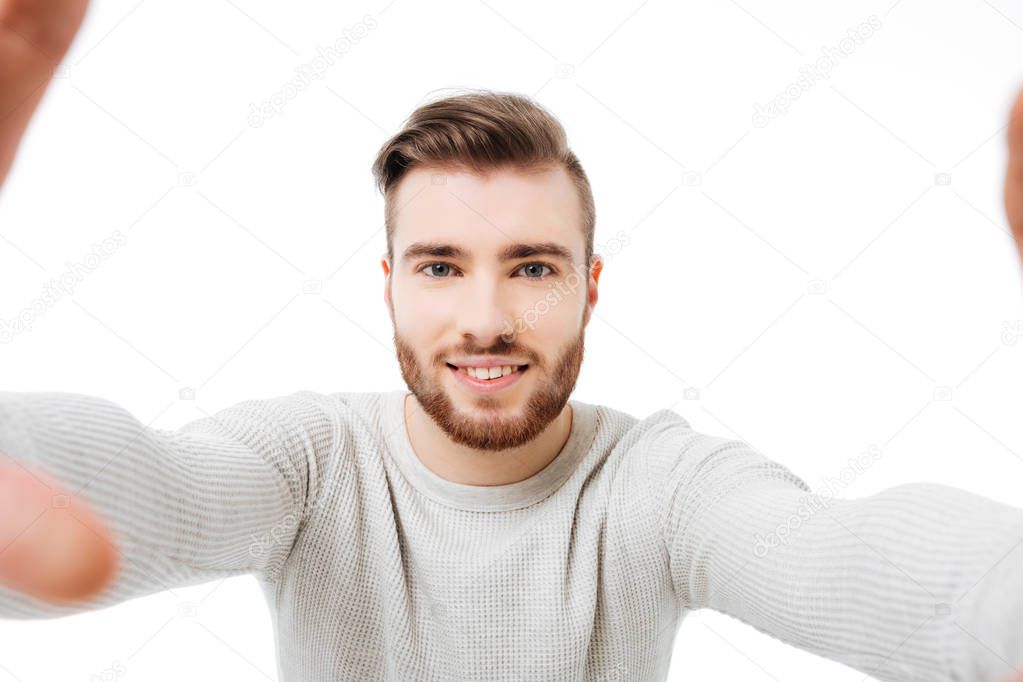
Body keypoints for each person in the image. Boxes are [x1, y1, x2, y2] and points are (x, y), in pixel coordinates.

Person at [2, 2, 1023, 681]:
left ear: (589, 287)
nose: (485, 318)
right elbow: (151, 486)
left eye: (532, 266)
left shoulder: (661, 484)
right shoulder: (310, 465)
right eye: (441, 265)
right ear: (390, 287)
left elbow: (842, 561)